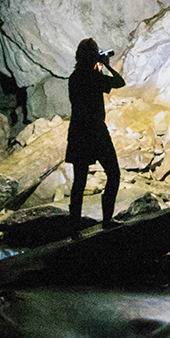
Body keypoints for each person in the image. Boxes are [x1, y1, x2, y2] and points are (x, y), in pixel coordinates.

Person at [64, 37, 125, 230]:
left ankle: (74, 229)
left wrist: (96, 67)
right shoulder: (93, 76)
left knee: (79, 182)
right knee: (113, 174)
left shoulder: (74, 78)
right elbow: (119, 82)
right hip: (97, 131)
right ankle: (107, 220)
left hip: (78, 133)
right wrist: (106, 66)